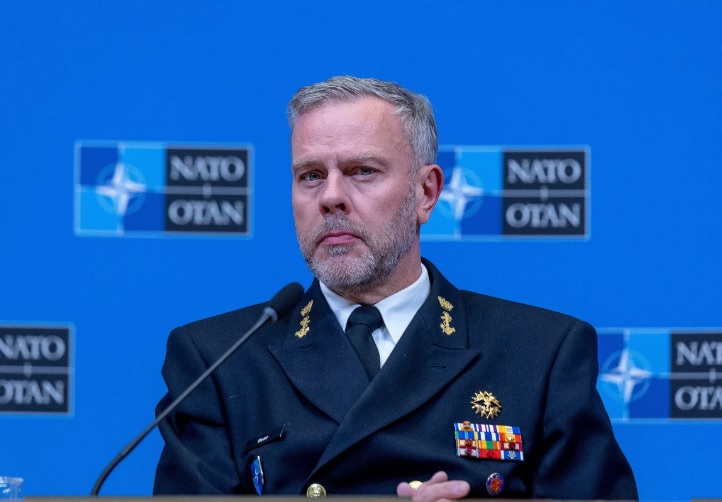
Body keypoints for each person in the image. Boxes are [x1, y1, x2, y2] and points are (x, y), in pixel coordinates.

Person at [154, 76, 638, 500]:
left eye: (362, 171)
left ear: (426, 193)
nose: (331, 197)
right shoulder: (218, 361)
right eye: (311, 176)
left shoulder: (542, 354)